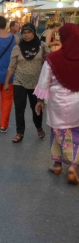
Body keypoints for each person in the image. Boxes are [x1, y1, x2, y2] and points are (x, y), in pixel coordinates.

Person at [34, 23, 79, 185]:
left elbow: (44, 82)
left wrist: (40, 101)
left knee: (58, 133)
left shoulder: (53, 59)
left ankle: (58, 164)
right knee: (76, 133)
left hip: (58, 103)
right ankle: (73, 166)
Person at [4, 23, 49, 143]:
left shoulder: (42, 46)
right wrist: (7, 82)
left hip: (37, 84)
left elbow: (49, 62)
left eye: (29, 32)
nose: (26, 35)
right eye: (24, 33)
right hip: (19, 82)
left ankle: (38, 127)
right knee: (19, 108)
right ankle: (20, 132)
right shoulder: (17, 48)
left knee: (37, 108)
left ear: (33, 33)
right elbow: (11, 66)